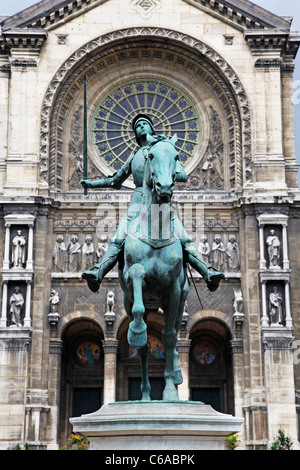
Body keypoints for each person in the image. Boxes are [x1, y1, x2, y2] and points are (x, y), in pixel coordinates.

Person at [81, 114, 224, 293]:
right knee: (117, 239)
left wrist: (165, 171)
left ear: (151, 129)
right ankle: (99, 271)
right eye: (138, 126)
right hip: (136, 205)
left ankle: (207, 271)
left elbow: (182, 175)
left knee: (184, 238)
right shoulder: (135, 156)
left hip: (160, 204)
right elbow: (115, 180)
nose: (141, 126)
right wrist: (91, 183)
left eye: (144, 124)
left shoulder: (164, 151)